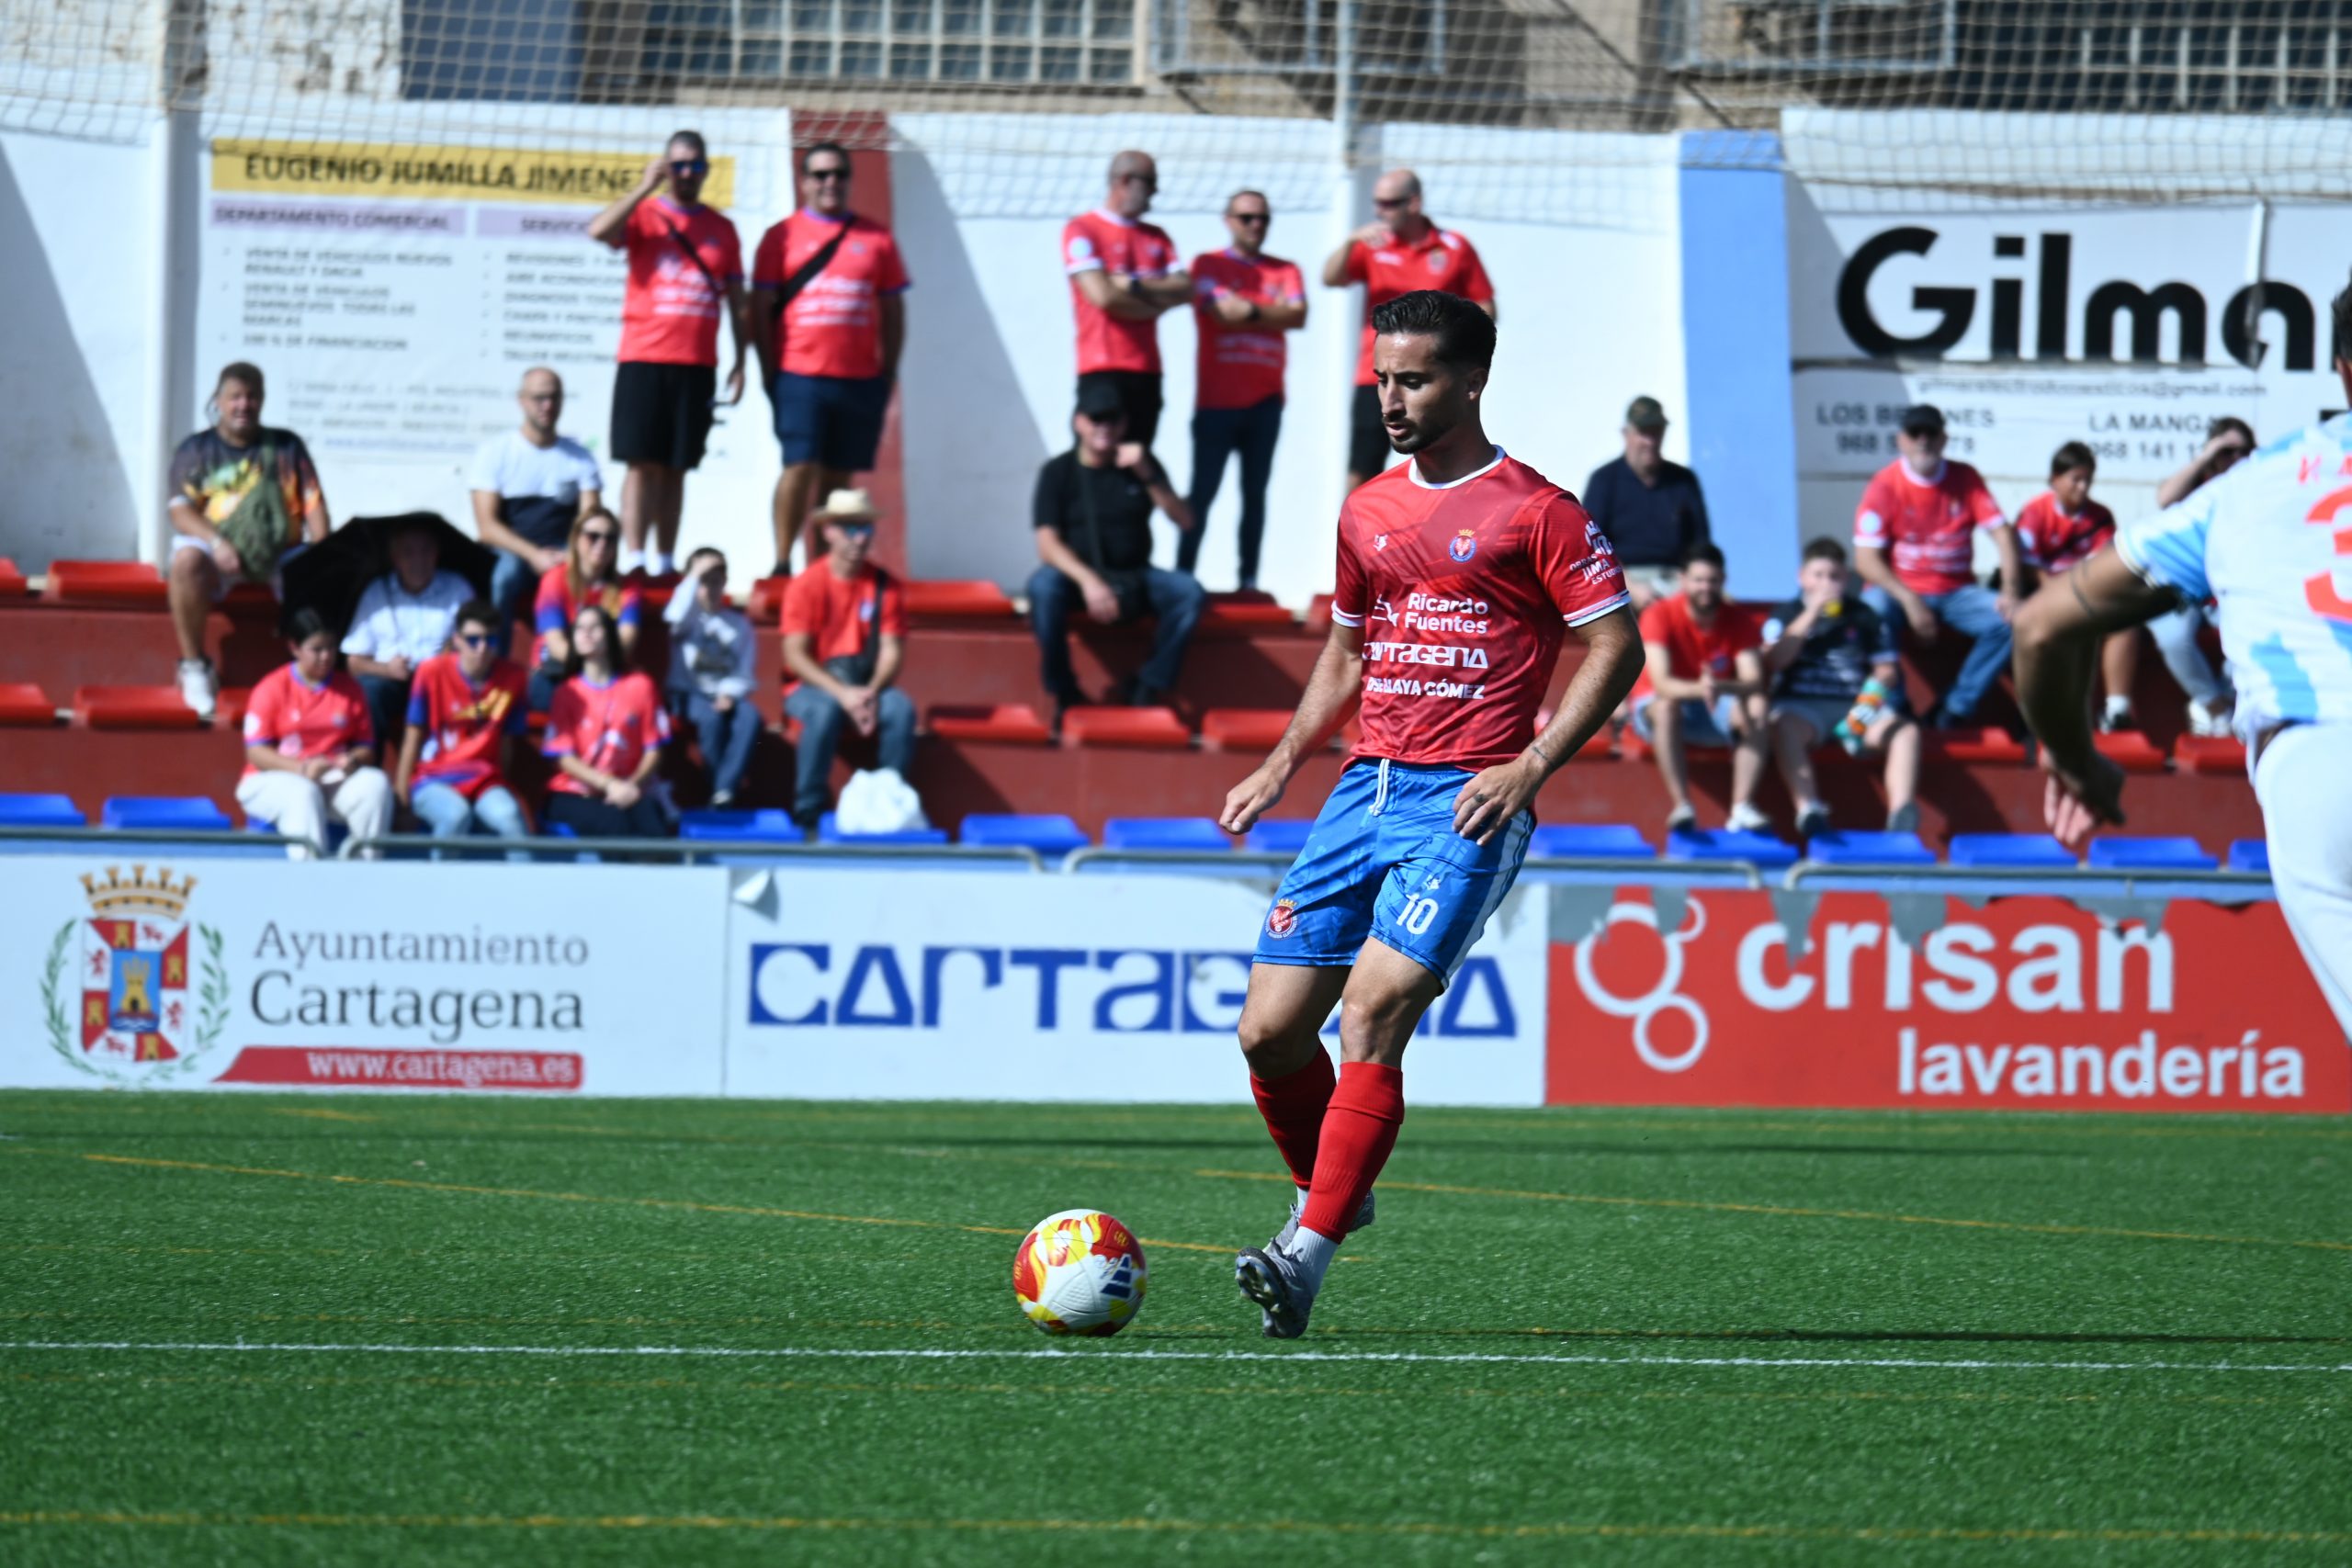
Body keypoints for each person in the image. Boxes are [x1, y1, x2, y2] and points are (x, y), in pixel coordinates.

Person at [1215, 290, 1639, 1337]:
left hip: (1467, 797)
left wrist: (1532, 764)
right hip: (1364, 789)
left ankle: (1303, 1255)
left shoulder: (1537, 512)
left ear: (1470, 382)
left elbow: (1617, 646)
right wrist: (1280, 762)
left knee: (1372, 1010)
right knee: (1267, 1033)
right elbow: (1349, 651)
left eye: (1412, 381)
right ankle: (1337, 1191)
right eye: (1381, 381)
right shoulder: (1367, 509)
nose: (1391, 401)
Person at [2015, 274, 2352, 1041]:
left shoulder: (2248, 487)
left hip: (2318, 767)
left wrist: (2077, 758)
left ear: (2342, 370)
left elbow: (2039, 627)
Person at [586, 130, 751, 578]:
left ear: (706, 170)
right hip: (643, 356)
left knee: (678, 467)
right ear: (664, 166)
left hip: (696, 363)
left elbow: (738, 301)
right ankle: (635, 559)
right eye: (677, 164)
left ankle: (664, 560)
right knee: (642, 463)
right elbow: (599, 230)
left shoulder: (722, 229)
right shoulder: (645, 214)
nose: (686, 174)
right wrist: (644, 187)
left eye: (695, 165)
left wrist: (741, 360)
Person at [752, 141, 910, 574]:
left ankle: (822, 569)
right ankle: (783, 562)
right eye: (820, 175)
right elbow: (759, 309)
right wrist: (770, 372)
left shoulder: (876, 238)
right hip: (800, 374)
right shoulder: (780, 237)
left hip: (859, 378)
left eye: (839, 174)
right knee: (799, 465)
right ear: (804, 182)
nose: (831, 183)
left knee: (839, 478)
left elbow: (894, 310)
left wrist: (888, 371)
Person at [1028, 381, 1202, 729]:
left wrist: (1148, 475)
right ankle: (1064, 691)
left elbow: (1185, 520)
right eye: (1096, 418)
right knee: (1042, 587)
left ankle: (1147, 684)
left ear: (1124, 425)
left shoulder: (1141, 465)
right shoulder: (1057, 472)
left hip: (1135, 576)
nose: (1103, 427)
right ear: (1079, 422)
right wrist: (1090, 582)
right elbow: (1046, 544)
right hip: (1079, 581)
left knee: (1187, 592)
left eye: (1112, 419)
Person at [166, 361, 330, 719]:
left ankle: (314, 678)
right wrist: (218, 542)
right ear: (219, 401)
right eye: (235, 397)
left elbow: (314, 506)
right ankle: (195, 667)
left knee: (323, 571)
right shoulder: (196, 450)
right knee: (185, 561)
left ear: (263, 400)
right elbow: (180, 512)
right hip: (219, 554)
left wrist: (324, 553)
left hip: (280, 554)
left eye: (252, 396)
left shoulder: (288, 447)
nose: (244, 404)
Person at [1851, 403, 2023, 728]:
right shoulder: (1884, 484)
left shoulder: (1965, 477)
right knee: (1870, 608)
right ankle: (1895, 706)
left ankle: (1955, 708)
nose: (1923, 441)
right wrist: (1910, 600)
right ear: (1901, 439)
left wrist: (2011, 590)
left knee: (2012, 620)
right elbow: (1865, 560)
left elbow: (2003, 534)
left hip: (1955, 591)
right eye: (1915, 433)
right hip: (1901, 592)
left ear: (1944, 439)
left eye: (1931, 433)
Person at [1322, 170, 1495, 491]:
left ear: (1413, 203)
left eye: (1389, 204)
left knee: (1442, 463)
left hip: (1432, 377)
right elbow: (1331, 278)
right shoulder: (1373, 245)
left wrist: (1449, 343)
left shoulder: (1454, 247)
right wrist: (1349, 240)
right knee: (1362, 470)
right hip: (1376, 375)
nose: (1380, 212)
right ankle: (1355, 538)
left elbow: (1486, 308)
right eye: (1377, 203)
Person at [1180, 189, 1306, 591]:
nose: (1256, 226)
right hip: (1216, 402)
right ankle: (1183, 577)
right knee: (1201, 494)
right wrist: (1272, 315)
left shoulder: (1285, 269)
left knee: (1255, 495)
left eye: (1263, 219)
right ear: (1228, 219)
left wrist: (1250, 311)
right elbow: (1219, 313)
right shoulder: (1208, 264)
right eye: (1247, 217)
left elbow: (1298, 314)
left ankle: (1248, 581)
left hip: (1266, 402)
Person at [1760, 538, 1921, 839]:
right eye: (1818, 575)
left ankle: (1901, 816)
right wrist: (1810, 615)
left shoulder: (1864, 615)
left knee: (1906, 732)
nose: (1826, 583)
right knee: (1781, 726)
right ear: (1802, 577)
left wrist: (1862, 713)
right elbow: (1774, 661)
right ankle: (1808, 809)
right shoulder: (1785, 613)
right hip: (1802, 706)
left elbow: (1886, 671)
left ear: (1845, 579)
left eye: (1834, 576)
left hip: (1856, 706)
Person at [780, 491, 917, 830]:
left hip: (866, 684)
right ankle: (808, 810)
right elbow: (794, 654)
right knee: (824, 711)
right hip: (811, 686)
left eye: (865, 527)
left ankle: (889, 803)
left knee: (900, 710)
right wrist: (843, 695)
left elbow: (892, 650)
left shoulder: (886, 586)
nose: (859, 537)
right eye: (849, 527)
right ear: (828, 531)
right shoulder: (805, 585)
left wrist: (869, 692)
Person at [1632, 544, 1770, 833]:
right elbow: (1662, 684)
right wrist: (1704, 689)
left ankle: (1742, 807)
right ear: (1683, 580)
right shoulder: (1659, 614)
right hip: (1658, 709)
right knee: (1667, 708)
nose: (1705, 587)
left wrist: (1720, 686)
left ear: (1723, 581)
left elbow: (1753, 678)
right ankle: (1682, 806)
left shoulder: (1739, 620)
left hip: (1713, 704)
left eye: (1713, 580)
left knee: (1758, 705)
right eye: (1698, 580)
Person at [235, 608, 391, 860]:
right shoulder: (271, 688)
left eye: (331, 647)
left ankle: (365, 871)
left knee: (375, 784)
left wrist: (354, 761)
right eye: (317, 649)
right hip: (274, 779)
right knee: (302, 792)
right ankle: (310, 878)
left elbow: (365, 747)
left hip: (332, 778)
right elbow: (256, 752)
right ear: (295, 648)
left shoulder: (350, 689)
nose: (326, 656)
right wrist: (302, 769)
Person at [1061, 150, 1189, 453]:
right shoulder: (1082, 230)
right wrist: (1156, 304)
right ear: (1125, 181)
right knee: (1096, 465)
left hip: (1147, 369)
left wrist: (1132, 284)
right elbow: (1103, 297)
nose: (1155, 192)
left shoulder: (1157, 237)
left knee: (1138, 462)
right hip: (1102, 368)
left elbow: (1185, 290)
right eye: (1151, 183)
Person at [469, 367, 604, 636]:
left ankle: (580, 658)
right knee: (503, 578)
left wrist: (572, 555)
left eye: (554, 398)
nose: (548, 406)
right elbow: (487, 527)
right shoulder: (495, 453)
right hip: (514, 551)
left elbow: (591, 521)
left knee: (591, 571)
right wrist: (533, 555)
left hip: (565, 549)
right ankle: (497, 660)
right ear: (522, 400)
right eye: (539, 398)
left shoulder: (580, 458)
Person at [2144, 416, 2255, 737]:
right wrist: (2207, 457)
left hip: (2234, 588)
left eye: (2242, 451)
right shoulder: (2198, 482)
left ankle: (2232, 708)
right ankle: (2214, 708)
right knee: (2172, 637)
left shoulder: (2259, 482)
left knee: (2246, 643)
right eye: (2227, 451)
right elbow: (2165, 499)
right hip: (2191, 585)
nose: (2235, 459)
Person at [2016, 441, 2136, 732]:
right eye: (2075, 480)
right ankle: (2041, 719)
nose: (2082, 487)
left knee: (2125, 624)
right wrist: (2061, 598)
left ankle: (2117, 710)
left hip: (2088, 596)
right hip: (2045, 598)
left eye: (2088, 480)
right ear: (2054, 480)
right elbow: (2030, 567)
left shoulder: (2100, 517)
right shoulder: (2034, 513)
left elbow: (2103, 566)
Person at [396, 599, 532, 856]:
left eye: (490, 640)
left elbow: (507, 745)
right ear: (457, 640)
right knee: (456, 816)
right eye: (473, 640)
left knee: (511, 818)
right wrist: (402, 802)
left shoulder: (514, 677)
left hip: (484, 780)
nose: (482, 648)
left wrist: (501, 783)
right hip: (433, 778)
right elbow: (412, 737)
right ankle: (439, 891)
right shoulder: (430, 672)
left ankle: (523, 893)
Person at [340, 516, 474, 751]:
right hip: (393, 679)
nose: (418, 560)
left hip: (440, 680)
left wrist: (450, 656)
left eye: (425, 551)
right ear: (395, 558)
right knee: (370, 690)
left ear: (436, 553)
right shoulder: (377, 592)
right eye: (408, 552)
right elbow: (354, 661)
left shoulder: (457, 588)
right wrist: (387, 669)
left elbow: (474, 643)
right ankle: (369, 767)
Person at [542, 604, 671, 838]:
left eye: (595, 627)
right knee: (616, 827)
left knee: (655, 831)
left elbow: (654, 749)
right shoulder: (566, 692)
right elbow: (564, 758)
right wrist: (608, 785)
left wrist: (630, 785)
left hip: (631, 788)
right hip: (574, 792)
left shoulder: (641, 686)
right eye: (580, 628)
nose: (586, 633)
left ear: (610, 634)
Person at [1581, 396, 1711, 605]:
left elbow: (1700, 544)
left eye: (1656, 432)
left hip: (1677, 579)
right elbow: (1591, 546)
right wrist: (1629, 585)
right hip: (1622, 579)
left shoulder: (1684, 480)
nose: (1650, 441)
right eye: (1643, 433)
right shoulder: (1604, 481)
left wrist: (1693, 582)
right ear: (1627, 434)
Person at [667, 547, 761, 807]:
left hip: (726, 692)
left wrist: (729, 693)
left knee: (749, 717)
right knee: (710, 718)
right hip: (688, 692)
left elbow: (745, 669)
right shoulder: (686, 618)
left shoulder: (739, 624)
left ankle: (723, 790)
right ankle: (721, 789)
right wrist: (694, 574)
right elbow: (674, 616)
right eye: (703, 582)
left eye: (716, 581)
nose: (710, 589)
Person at [531, 508, 643, 711]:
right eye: (593, 536)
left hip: (607, 672)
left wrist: (595, 674)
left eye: (610, 538)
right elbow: (556, 644)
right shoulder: (554, 580)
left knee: (641, 691)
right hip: (557, 669)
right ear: (575, 539)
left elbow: (626, 642)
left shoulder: (627, 588)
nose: (602, 544)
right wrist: (590, 673)